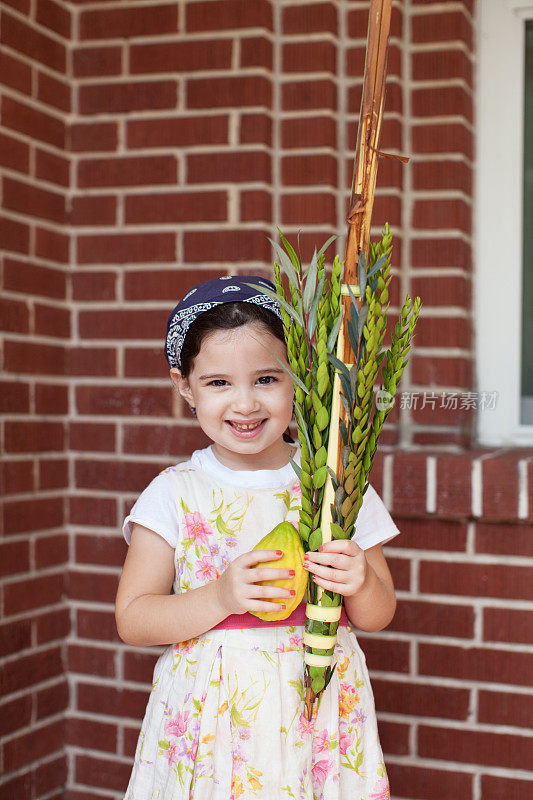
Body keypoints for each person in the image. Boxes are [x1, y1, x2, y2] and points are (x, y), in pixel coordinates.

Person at [115, 275, 400, 800]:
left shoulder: (338, 480)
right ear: (185, 387)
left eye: (267, 379)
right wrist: (221, 596)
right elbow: (133, 618)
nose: (244, 404)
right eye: (219, 383)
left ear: (300, 381)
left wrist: (360, 580)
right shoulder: (175, 493)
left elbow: (378, 615)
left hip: (318, 710)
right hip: (212, 718)